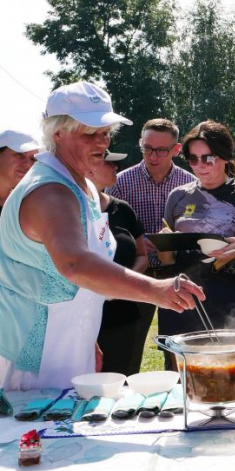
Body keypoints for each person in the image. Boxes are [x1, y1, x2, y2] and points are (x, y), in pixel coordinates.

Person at [0, 81, 204, 390]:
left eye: (105, 133)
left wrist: (86, 334)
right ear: (57, 133)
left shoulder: (83, 185)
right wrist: (156, 289)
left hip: (66, 345)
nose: (101, 142)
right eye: (89, 132)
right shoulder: (49, 192)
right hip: (26, 356)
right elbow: (75, 264)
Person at [158, 120, 235, 368]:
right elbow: (167, 261)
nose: (200, 166)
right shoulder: (177, 196)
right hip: (181, 299)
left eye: (208, 158)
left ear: (225, 156)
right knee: (181, 377)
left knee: (229, 371)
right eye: (193, 159)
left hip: (228, 298)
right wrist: (163, 243)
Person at [106, 118, 195, 370]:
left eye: (161, 150)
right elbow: (107, 228)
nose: (153, 156)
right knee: (127, 348)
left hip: (177, 272)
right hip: (136, 271)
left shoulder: (189, 184)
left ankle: (178, 400)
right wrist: (138, 241)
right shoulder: (120, 182)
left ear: (176, 150)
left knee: (178, 347)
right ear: (140, 144)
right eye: (147, 148)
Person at [89, 150, 149, 375]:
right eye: (109, 162)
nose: (116, 167)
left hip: (124, 316)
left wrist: (124, 284)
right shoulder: (70, 209)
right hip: (83, 317)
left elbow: (142, 255)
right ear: (89, 167)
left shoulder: (122, 209)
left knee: (123, 382)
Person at [0, 130, 41, 282]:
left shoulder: (27, 204)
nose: (27, 164)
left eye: (32, 159)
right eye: (19, 155)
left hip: (7, 302)